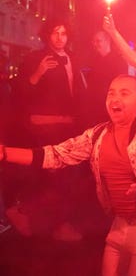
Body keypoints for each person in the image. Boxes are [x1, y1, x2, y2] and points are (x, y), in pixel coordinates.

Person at [0, 74, 136, 276]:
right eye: (111, 93)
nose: (115, 99)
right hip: (119, 226)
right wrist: (5, 153)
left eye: (124, 93)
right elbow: (56, 154)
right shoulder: (97, 135)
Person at [8, 18, 86, 241]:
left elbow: (77, 91)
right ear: (47, 35)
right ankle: (45, 221)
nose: (60, 37)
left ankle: (35, 217)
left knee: (62, 177)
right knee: (52, 176)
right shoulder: (35, 58)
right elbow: (20, 92)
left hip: (67, 125)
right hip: (44, 126)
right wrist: (38, 73)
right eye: (55, 32)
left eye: (63, 32)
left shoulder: (73, 59)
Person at [82, 30, 129, 126]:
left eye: (98, 41)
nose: (95, 44)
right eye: (93, 41)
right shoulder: (95, 60)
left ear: (108, 41)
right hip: (94, 110)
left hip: (109, 111)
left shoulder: (119, 61)